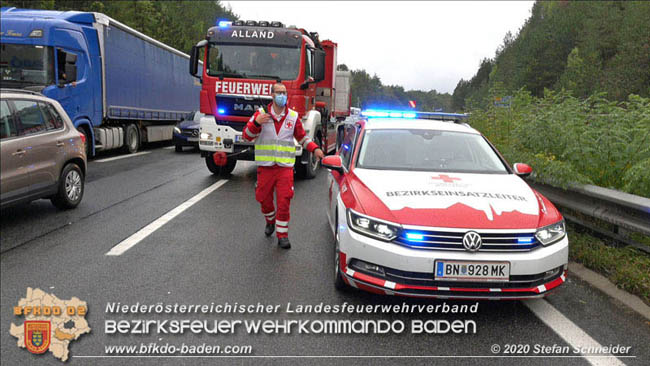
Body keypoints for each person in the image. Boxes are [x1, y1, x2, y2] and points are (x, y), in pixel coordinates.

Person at [242, 83, 324, 249]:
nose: (282, 96)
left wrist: (314, 149)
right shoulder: (260, 115)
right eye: (279, 93)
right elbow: (246, 137)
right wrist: (256, 123)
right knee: (263, 199)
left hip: (285, 167)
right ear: (272, 95)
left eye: (284, 93)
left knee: (284, 200)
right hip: (265, 167)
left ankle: (282, 235)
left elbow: (302, 138)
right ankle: (270, 220)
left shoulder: (293, 116)